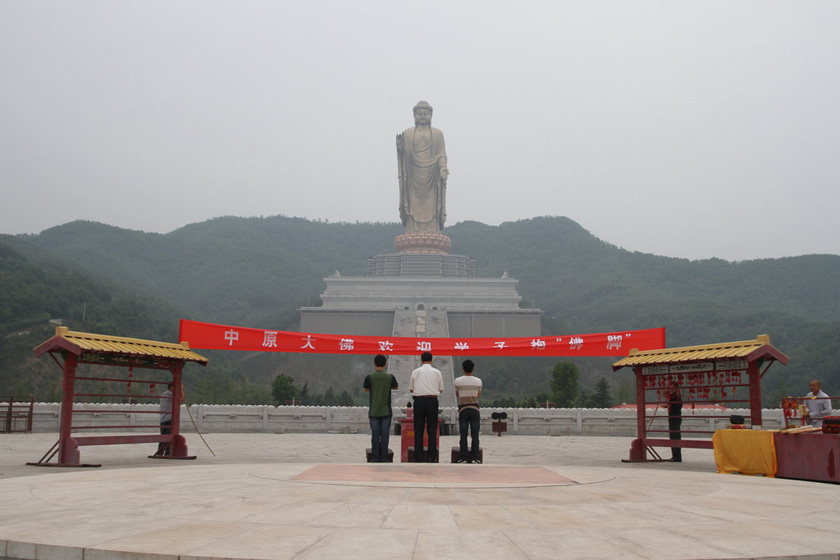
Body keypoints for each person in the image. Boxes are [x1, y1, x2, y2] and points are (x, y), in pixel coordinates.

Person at [396, 101, 449, 234]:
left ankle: (433, 228)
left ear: (431, 115)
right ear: (414, 116)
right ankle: (411, 228)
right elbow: (404, 155)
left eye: (426, 114)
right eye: (419, 114)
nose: (423, 116)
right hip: (412, 174)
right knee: (412, 202)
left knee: (432, 203)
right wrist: (401, 149)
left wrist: (442, 167)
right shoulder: (407, 133)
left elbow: (441, 153)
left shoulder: (438, 134)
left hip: (432, 175)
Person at [408, 351, 444, 462]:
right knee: (432, 430)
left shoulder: (416, 372)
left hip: (419, 401)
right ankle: (431, 457)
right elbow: (441, 389)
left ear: (421, 360)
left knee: (418, 429)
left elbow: (411, 389)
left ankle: (418, 457)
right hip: (432, 401)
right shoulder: (437, 372)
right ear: (431, 360)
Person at [362, 354, 399, 462]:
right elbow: (396, 386)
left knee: (375, 435)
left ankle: (375, 457)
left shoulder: (370, 377)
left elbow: (365, 389)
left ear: (374, 364)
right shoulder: (389, 377)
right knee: (385, 435)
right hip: (386, 411)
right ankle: (384, 458)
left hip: (374, 411)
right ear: (385, 364)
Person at [454, 359, 482, 464]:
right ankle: (476, 458)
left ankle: (463, 458)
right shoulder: (478, 381)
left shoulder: (457, 381)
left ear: (463, 368)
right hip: (475, 409)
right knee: (475, 434)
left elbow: (457, 395)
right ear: (473, 369)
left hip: (463, 410)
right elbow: (478, 395)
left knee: (463, 434)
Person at [156, 383, 175, 456]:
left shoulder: (163, 394)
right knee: (168, 437)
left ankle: (160, 452)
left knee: (162, 436)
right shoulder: (170, 395)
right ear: (171, 387)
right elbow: (181, 399)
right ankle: (168, 452)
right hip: (169, 418)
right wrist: (181, 390)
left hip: (163, 418)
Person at [666, 382, 682, 462]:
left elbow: (674, 405)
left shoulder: (676, 396)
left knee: (675, 436)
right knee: (673, 436)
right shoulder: (673, 395)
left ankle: (677, 456)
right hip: (673, 417)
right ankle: (675, 455)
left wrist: (666, 405)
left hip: (675, 417)